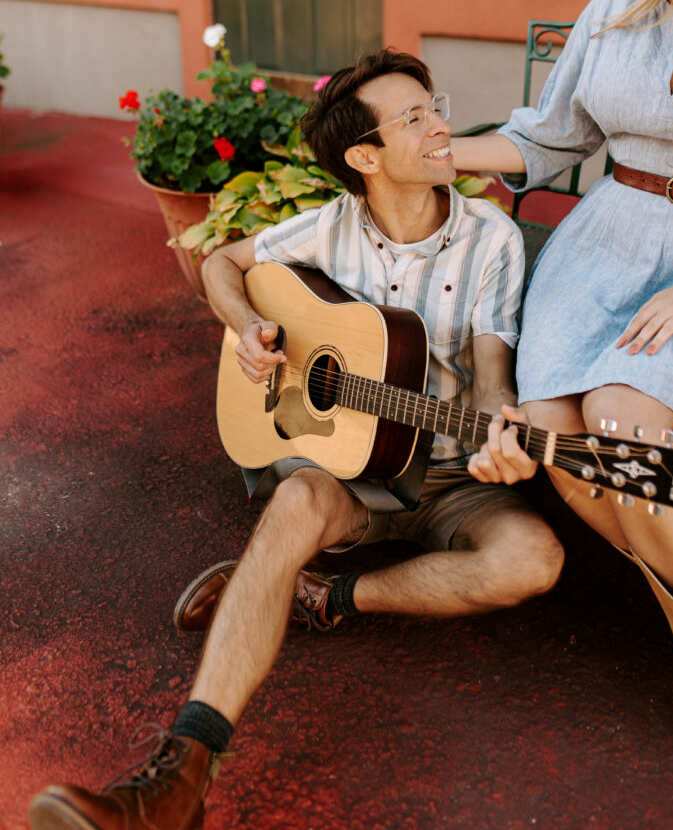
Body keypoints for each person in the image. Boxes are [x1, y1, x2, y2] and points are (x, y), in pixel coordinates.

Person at [29, 49, 564, 830]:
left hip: (453, 474)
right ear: (365, 157)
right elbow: (221, 262)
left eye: (434, 105)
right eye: (413, 117)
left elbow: (491, 374)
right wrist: (248, 329)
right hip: (355, 477)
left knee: (533, 560)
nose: (440, 125)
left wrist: (502, 425)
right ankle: (180, 771)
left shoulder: (491, 238)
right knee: (293, 504)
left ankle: (324, 596)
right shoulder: (324, 229)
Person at [452, 0, 673, 655]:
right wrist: (440, 154)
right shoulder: (617, 1)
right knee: (556, 432)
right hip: (603, 241)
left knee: (622, 417)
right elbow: (550, 137)